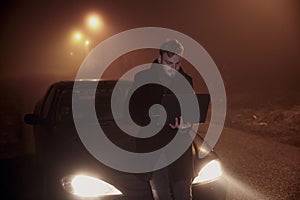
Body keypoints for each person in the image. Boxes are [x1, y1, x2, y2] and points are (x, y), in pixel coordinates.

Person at [127, 39, 195, 200]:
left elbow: (191, 112)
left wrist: (187, 125)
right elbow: (132, 110)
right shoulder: (143, 78)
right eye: (168, 63)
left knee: (184, 195)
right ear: (159, 59)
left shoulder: (187, 81)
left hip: (179, 146)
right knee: (161, 195)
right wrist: (153, 117)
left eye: (177, 64)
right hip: (153, 147)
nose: (173, 68)